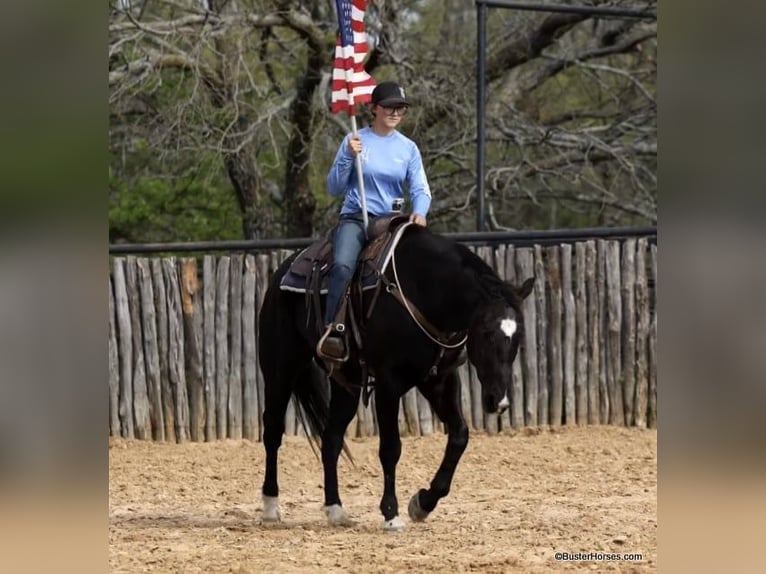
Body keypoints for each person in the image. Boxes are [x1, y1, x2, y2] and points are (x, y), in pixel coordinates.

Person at [317, 80, 432, 361]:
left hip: (394, 221)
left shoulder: (408, 148)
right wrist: (346, 155)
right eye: (390, 107)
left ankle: (433, 333)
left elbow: (420, 188)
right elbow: (333, 187)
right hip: (357, 218)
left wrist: (420, 211)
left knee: (427, 264)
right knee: (343, 265)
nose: (395, 113)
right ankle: (334, 329)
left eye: (401, 109)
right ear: (374, 109)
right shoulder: (355, 140)